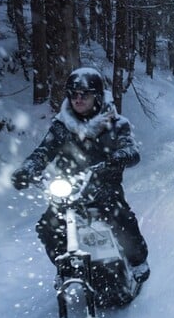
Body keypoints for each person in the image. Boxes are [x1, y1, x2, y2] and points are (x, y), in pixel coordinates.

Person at [11, 67, 150, 284]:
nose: (78, 99)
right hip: (69, 188)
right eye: (73, 94)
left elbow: (131, 150)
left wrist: (120, 157)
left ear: (96, 96)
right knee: (48, 226)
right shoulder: (61, 126)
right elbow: (43, 151)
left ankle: (137, 260)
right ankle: (64, 266)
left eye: (84, 94)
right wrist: (27, 169)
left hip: (104, 184)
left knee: (121, 217)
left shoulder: (116, 124)